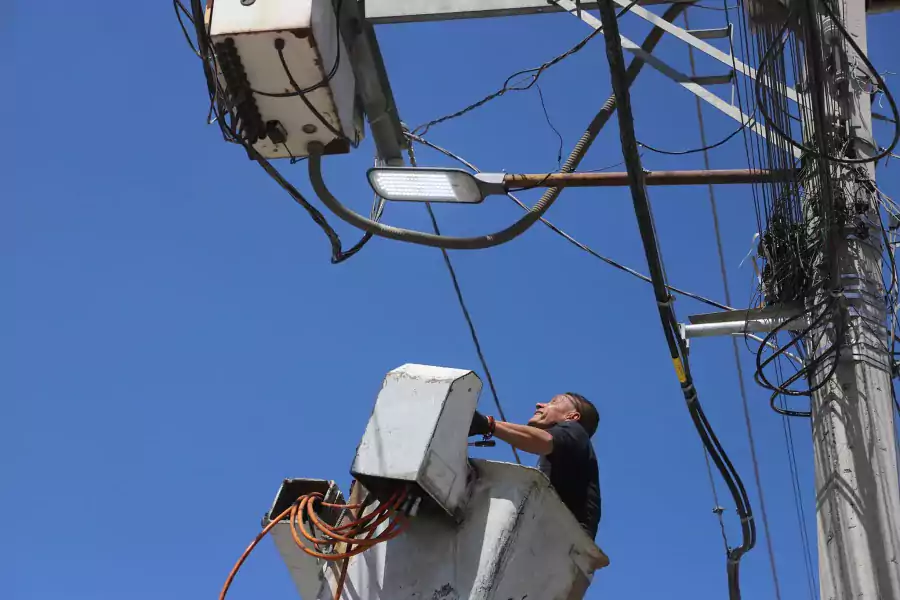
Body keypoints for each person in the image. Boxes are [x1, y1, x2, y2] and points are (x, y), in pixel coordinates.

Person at [469, 393, 601, 539]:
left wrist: (488, 424)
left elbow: (543, 440)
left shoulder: (575, 431)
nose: (539, 404)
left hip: (564, 543)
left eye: (554, 402)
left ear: (572, 417)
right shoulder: (568, 451)